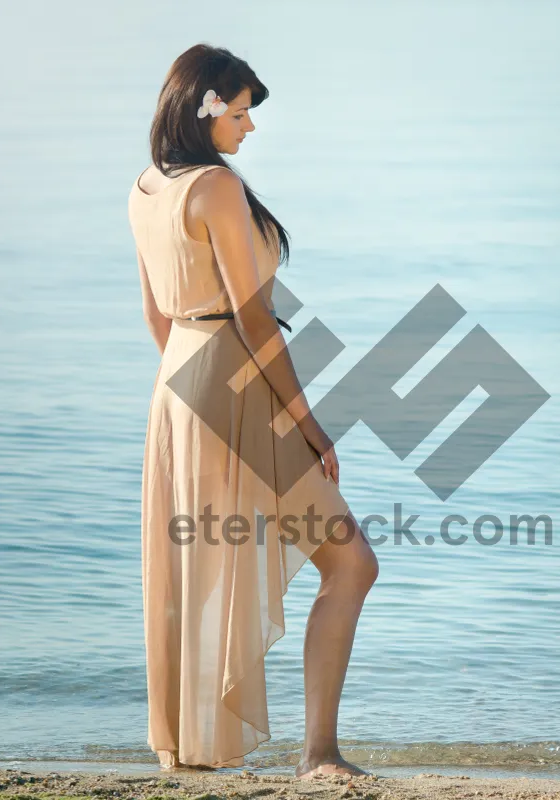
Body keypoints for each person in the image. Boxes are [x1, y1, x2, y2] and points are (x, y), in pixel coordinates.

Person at [126, 43, 379, 780]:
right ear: (203, 110)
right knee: (351, 561)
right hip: (230, 376)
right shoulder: (215, 189)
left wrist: (190, 386)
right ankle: (318, 754)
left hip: (179, 379)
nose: (249, 127)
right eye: (238, 113)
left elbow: (154, 315)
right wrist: (309, 427)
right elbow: (256, 321)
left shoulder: (146, 187)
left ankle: (184, 750)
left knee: (196, 565)